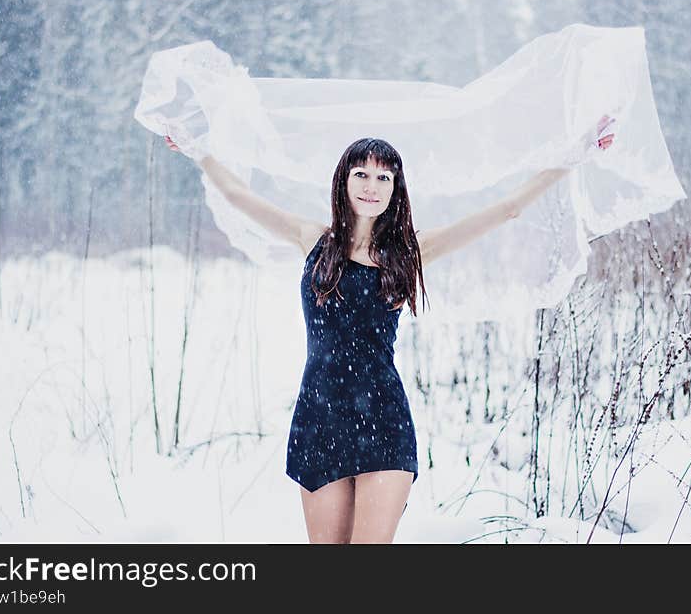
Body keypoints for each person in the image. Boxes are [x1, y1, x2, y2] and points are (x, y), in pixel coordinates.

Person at [164, 116, 615, 543]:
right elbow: (239, 195)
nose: (372, 185)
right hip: (320, 415)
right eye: (361, 173)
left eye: (384, 177)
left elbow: (508, 209)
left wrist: (578, 153)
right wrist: (198, 150)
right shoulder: (312, 240)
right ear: (344, 180)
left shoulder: (410, 252)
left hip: (383, 415)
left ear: (396, 188)